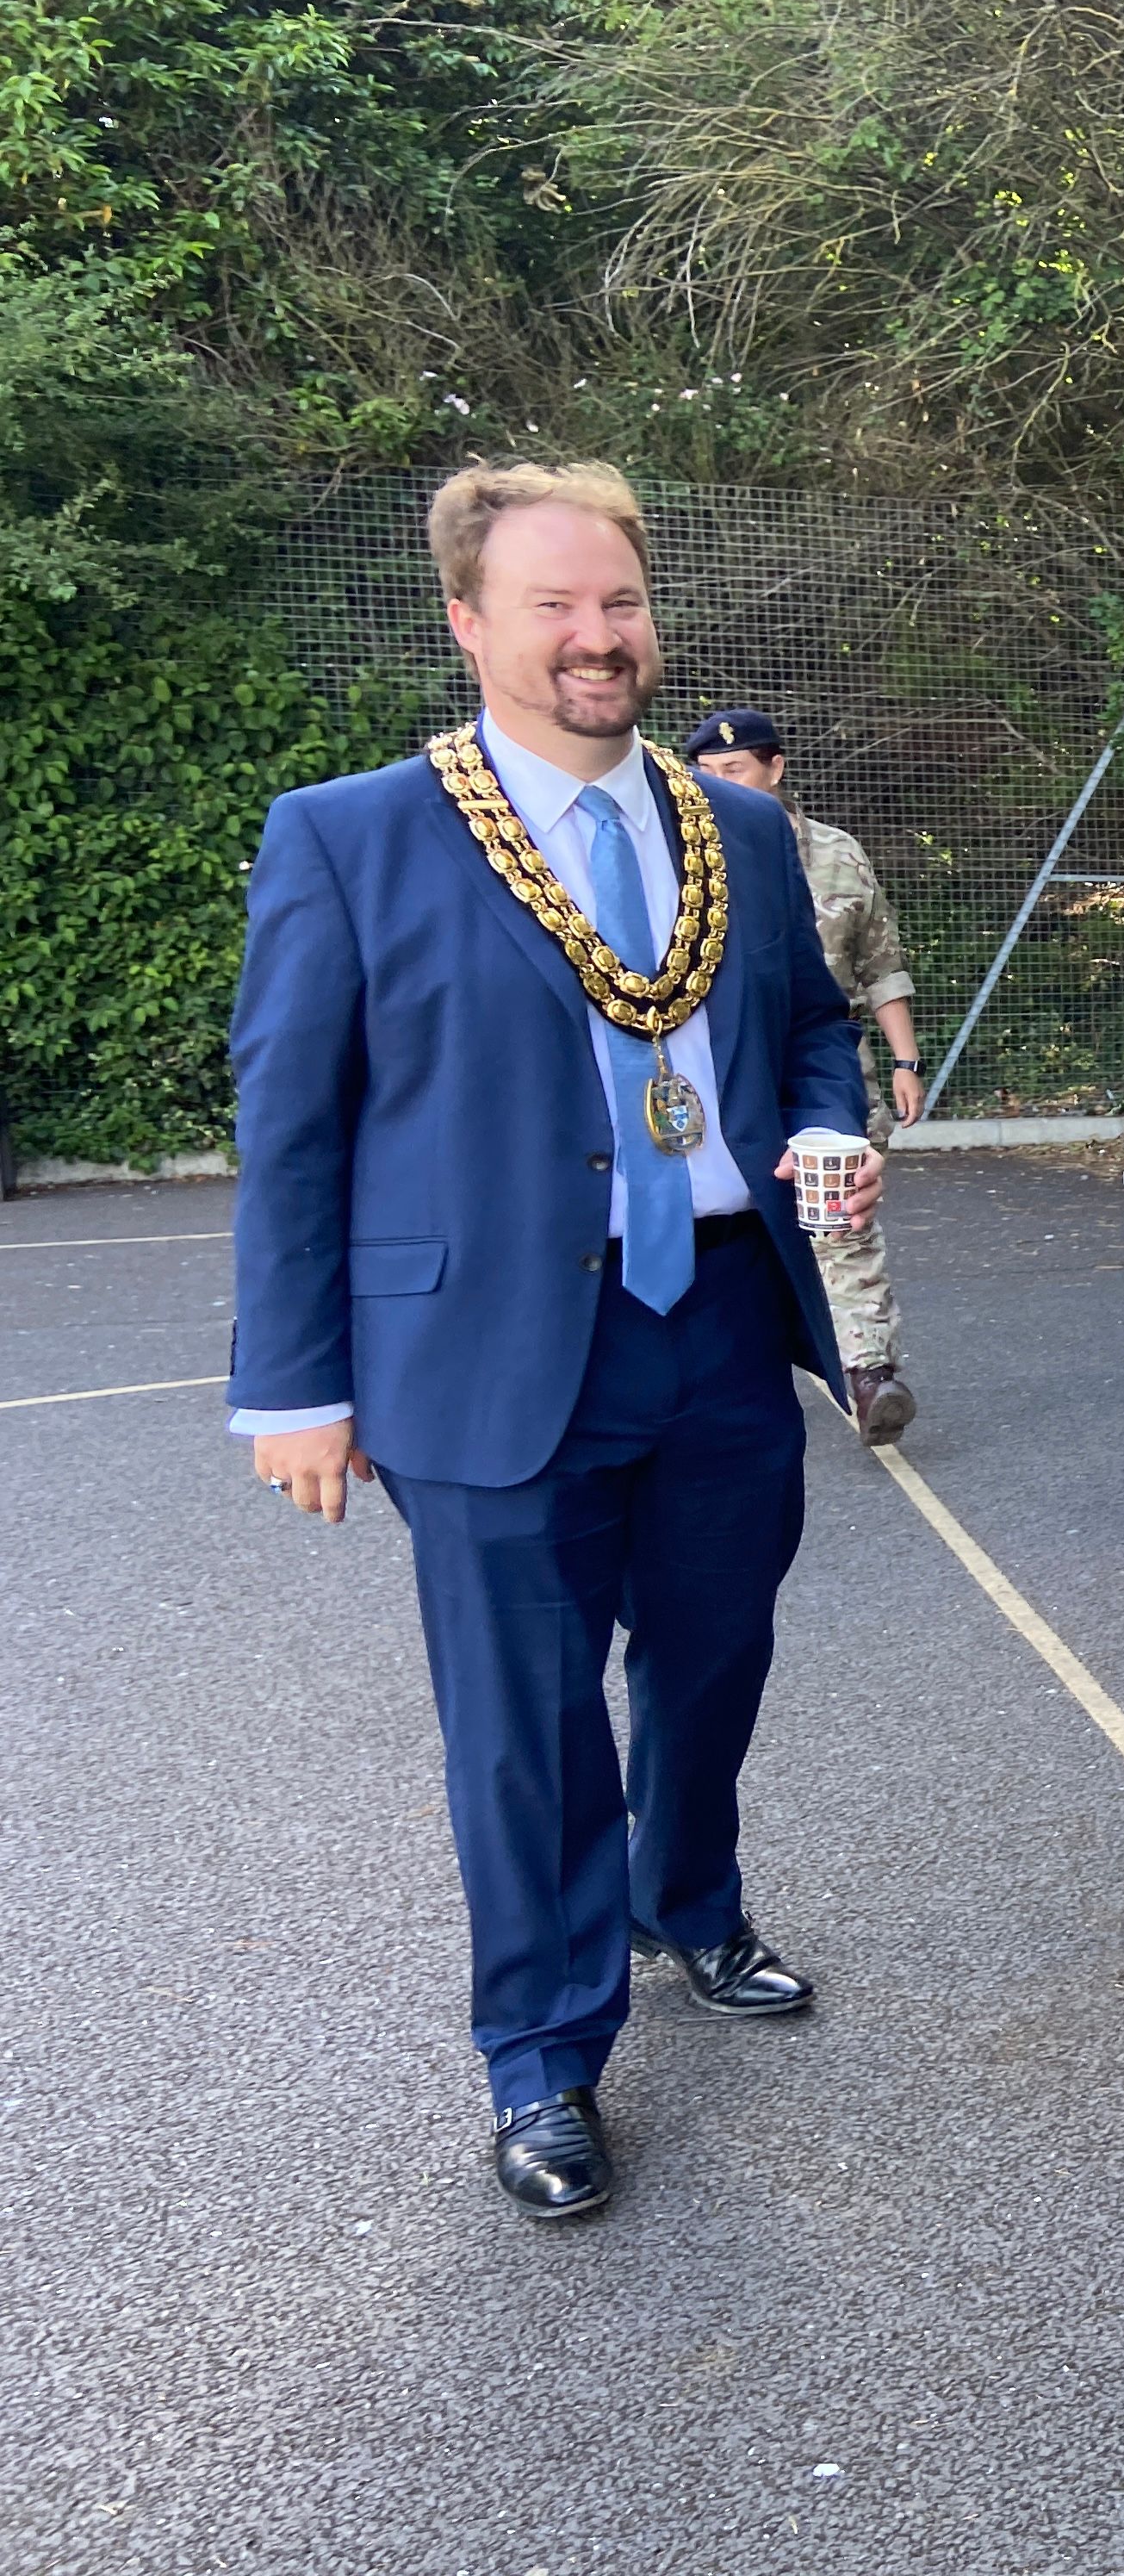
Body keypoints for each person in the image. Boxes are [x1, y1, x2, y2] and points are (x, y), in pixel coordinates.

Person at [228, 459, 875, 2222]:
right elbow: (293, 1123)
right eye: (555, 608)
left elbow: (812, 1031)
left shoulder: (734, 834)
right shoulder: (353, 835)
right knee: (525, 1725)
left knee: (715, 1658)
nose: (599, 638)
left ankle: (690, 1902)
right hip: (489, 1353)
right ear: (468, 623)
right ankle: (543, 2055)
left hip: (722, 1320)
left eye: (621, 603)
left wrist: (826, 1123)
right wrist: (294, 1384)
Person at [681, 706, 924, 1447]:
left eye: (737, 770)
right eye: (708, 775)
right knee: (733, 1226)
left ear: (775, 768)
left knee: (841, 1220)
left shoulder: (837, 855)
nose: (723, 785)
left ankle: (869, 1373)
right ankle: (730, 1373)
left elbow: (881, 965)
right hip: (729, 1076)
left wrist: (906, 1060)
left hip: (828, 1071)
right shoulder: (689, 857)